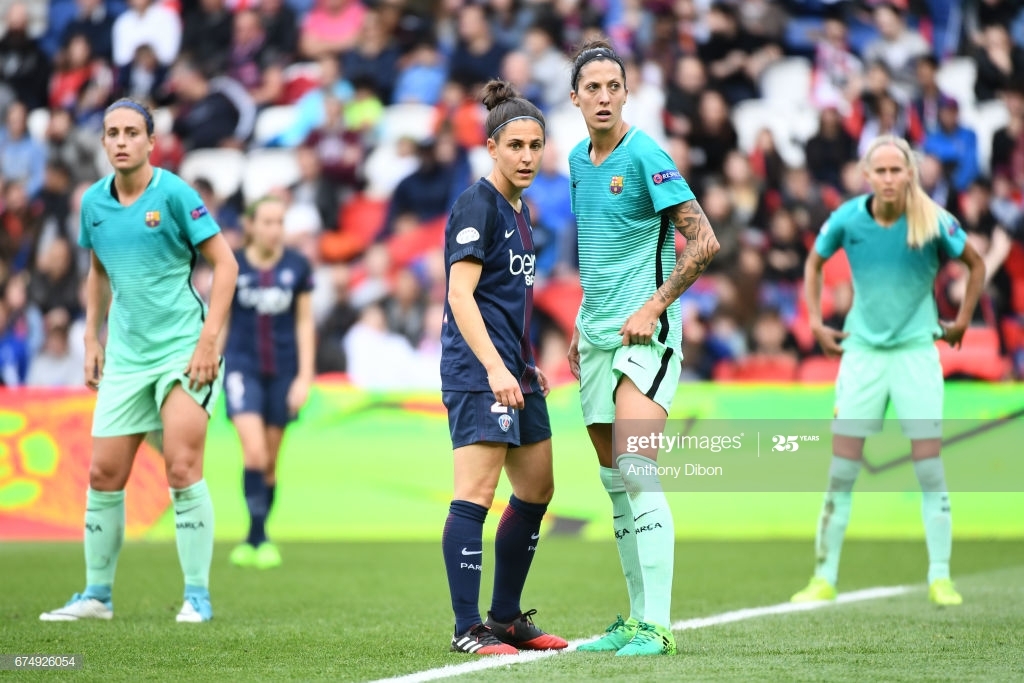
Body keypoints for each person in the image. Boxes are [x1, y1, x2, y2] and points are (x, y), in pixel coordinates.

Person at [39, 97, 239, 623]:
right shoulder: (92, 203)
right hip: (125, 356)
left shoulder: (173, 193)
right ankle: (96, 596)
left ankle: (197, 596)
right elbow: (97, 272)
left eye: (132, 132)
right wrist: (91, 338)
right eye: (112, 132)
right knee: (104, 474)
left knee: (181, 465)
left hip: (181, 351)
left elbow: (226, 264)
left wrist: (209, 340)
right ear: (103, 142)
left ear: (152, 142)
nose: (122, 140)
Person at [566, 38, 720, 657]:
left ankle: (657, 625)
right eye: (592, 87)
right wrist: (582, 321)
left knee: (636, 469)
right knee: (613, 480)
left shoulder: (647, 153)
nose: (604, 96)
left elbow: (704, 241)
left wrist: (653, 306)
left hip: (647, 336)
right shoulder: (577, 160)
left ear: (627, 92)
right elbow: (598, 254)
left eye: (613, 86)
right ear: (575, 98)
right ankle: (634, 620)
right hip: (598, 336)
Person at [790, 135, 985, 607]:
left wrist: (961, 322)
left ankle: (941, 576)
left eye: (897, 170)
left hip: (917, 352)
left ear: (909, 173)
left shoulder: (933, 219)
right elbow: (815, 263)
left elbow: (975, 265)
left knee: (928, 466)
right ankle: (824, 577)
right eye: (880, 171)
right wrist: (816, 321)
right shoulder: (848, 218)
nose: (889, 178)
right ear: (867, 175)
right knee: (842, 469)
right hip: (863, 355)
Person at [440, 79, 567, 656]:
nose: (526, 156)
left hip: (515, 369)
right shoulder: (476, 205)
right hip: (478, 370)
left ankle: (507, 618)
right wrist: (495, 368)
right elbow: (462, 297)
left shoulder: (522, 211)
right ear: (492, 147)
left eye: (535, 145)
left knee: (537, 487)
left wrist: (525, 363)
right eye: (515, 145)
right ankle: (468, 627)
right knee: (477, 492)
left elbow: (507, 298)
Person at [225, 196, 315, 570]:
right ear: (251, 225)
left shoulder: (298, 265)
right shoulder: (232, 265)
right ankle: (257, 538)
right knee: (255, 453)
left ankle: (257, 534)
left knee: (270, 465)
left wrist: (305, 377)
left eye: (280, 221)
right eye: (267, 221)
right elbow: (220, 319)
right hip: (242, 368)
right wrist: (209, 362)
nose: (275, 229)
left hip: (284, 371)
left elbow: (304, 322)